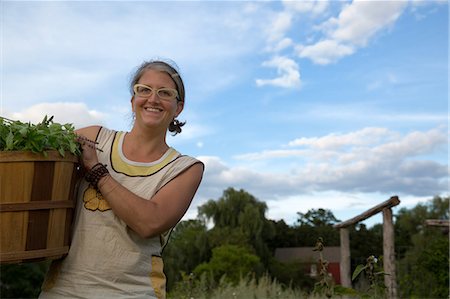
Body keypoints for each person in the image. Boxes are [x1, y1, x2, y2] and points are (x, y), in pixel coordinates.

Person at [39, 60, 204, 299]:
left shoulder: (184, 168)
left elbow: (149, 222)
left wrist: (95, 169)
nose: (153, 99)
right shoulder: (93, 137)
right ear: (132, 100)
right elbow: (36, 159)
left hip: (132, 292)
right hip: (64, 290)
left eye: (165, 93)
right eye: (144, 90)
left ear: (178, 107)